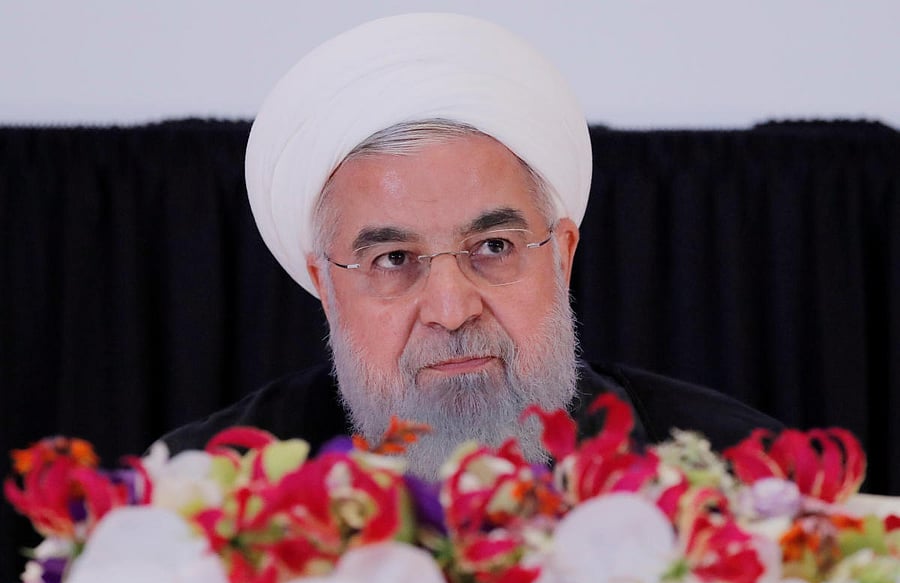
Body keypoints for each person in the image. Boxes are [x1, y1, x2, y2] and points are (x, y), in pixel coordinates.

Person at [162, 13, 781, 479]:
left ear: (561, 255)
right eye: (394, 259)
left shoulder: (744, 475)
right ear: (325, 285)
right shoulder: (204, 489)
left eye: (492, 246)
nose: (452, 310)